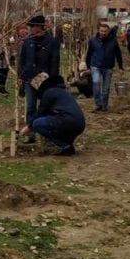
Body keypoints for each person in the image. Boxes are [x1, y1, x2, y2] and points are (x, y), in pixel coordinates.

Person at [20, 71, 85, 155]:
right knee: (55, 122)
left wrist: (29, 127)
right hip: (80, 124)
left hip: (68, 121)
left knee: (37, 123)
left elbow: (41, 113)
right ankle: (68, 147)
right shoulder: (62, 91)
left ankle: (64, 145)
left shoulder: (49, 93)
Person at [18, 14, 60, 143]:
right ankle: (31, 135)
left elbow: (55, 62)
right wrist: (21, 75)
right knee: (30, 107)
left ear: (40, 27)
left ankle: (47, 134)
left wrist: (52, 80)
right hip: (29, 79)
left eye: (32, 27)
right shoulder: (28, 41)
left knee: (46, 107)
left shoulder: (52, 42)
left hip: (45, 80)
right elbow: (22, 60)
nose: (30, 30)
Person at [85, 22, 124, 112]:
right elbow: (89, 54)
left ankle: (104, 105)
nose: (103, 33)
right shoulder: (93, 40)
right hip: (96, 66)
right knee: (96, 83)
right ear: (99, 30)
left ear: (108, 31)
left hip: (108, 67)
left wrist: (120, 67)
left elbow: (118, 54)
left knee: (106, 88)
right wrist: (87, 66)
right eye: (102, 31)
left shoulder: (113, 41)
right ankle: (98, 104)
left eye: (105, 31)